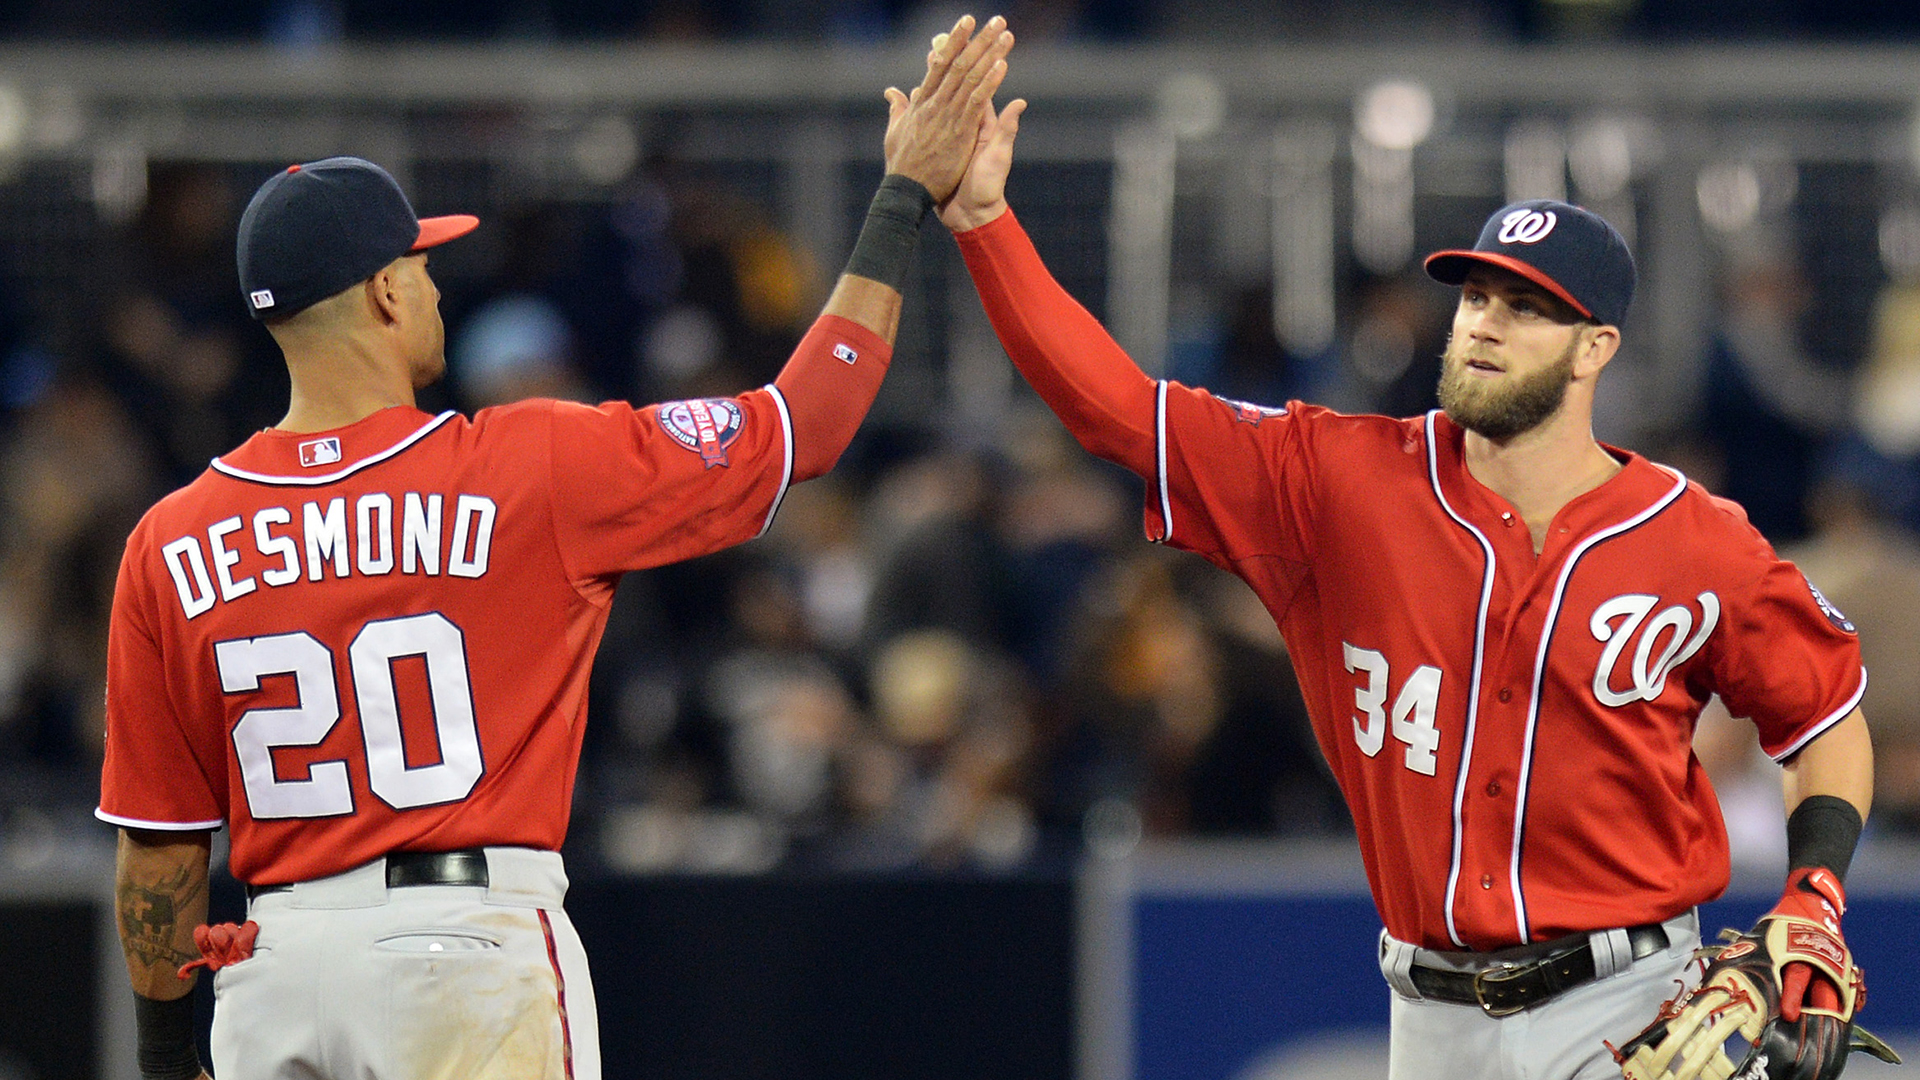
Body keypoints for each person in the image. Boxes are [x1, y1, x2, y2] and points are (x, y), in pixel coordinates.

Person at [95, 15, 1015, 1080]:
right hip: (460, 954)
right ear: (387, 292)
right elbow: (812, 416)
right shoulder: (532, 463)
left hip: (272, 975)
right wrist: (903, 198)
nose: (437, 282)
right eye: (422, 262)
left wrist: (167, 1058)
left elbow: (158, 851)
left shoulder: (171, 539)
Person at [932, 83, 1877, 1079]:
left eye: (1527, 308)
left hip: (1632, 1004)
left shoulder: (1694, 539)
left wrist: (1813, 895)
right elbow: (1119, 411)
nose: (1484, 323)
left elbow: (1826, 716)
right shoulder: (1337, 481)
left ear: (1597, 347)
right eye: (1475, 296)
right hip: (1427, 1017)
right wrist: (985, 222)